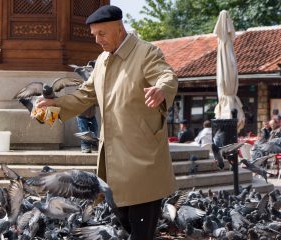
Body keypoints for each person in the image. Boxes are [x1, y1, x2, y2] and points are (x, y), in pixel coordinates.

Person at [36, 5, 178, 239]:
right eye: (94, 35)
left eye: (102, 34)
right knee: (121, 215)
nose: (98, 40)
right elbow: (85, 95)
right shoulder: (101, 60)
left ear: (120, 29)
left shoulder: (146, 52)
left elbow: (166, 75)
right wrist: (56, 105)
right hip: (112, 157)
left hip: (142, 156)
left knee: (141, 226)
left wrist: (161, 89)